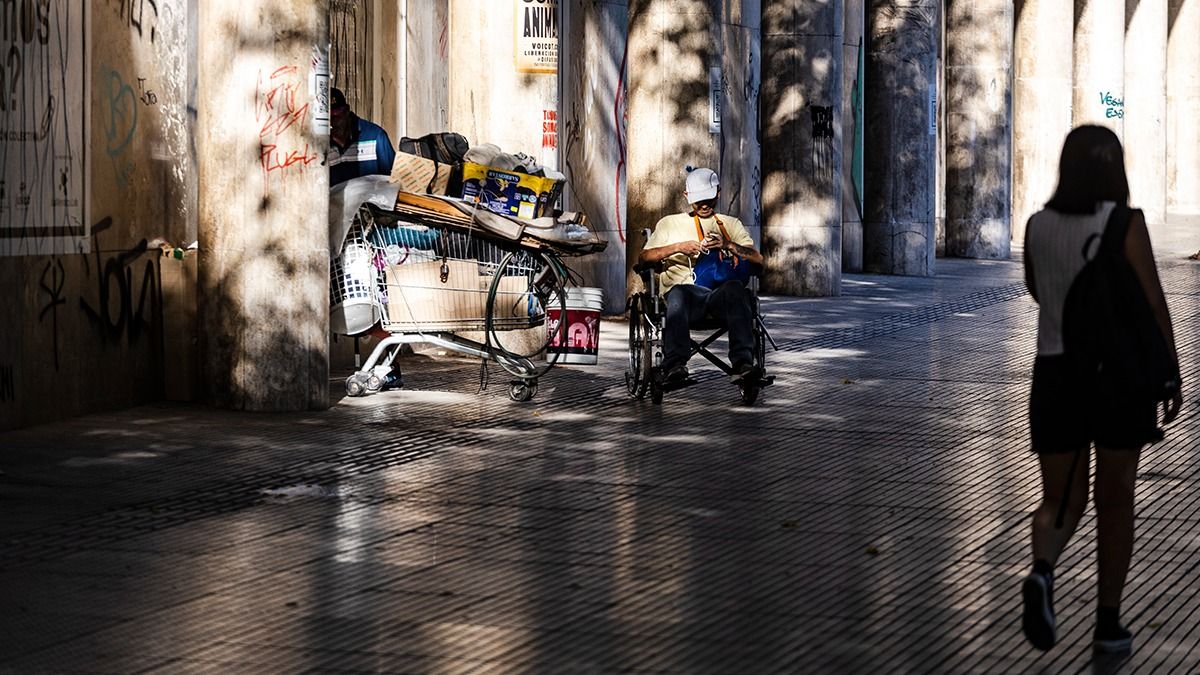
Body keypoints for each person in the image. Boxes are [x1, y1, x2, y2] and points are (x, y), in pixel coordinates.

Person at [1021, 125, 1182, 654]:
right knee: (1115, 501)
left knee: (1060, 498)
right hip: (1116, 380)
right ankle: (1107, 623)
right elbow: (1154, 305)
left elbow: (1040, 292)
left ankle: (1043, 571)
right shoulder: (1125, 223)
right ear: (1115, 168)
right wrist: (1171, 371)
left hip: (1055, 375)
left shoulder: (1038, 226)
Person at [639, 167, 764, 385]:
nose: (704, 205)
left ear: (718, 193)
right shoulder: (670, 223)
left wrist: (728, 245)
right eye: (698, 201)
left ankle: (743, 364)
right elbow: (645, 258)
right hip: (685, 299)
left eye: (709, 199)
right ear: (687, 197)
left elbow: (758, 260)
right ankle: (674, 365)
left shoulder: (730, 224)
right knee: (677, 292)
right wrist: (678, 247)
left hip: (719, 296)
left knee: (736, 289)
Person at [328, 87, 396, 186]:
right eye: (327, 119)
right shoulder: (319, 145)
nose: (331, 123)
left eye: (335, 117)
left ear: (347, 111)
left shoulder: (375, 137)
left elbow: (394, 180)